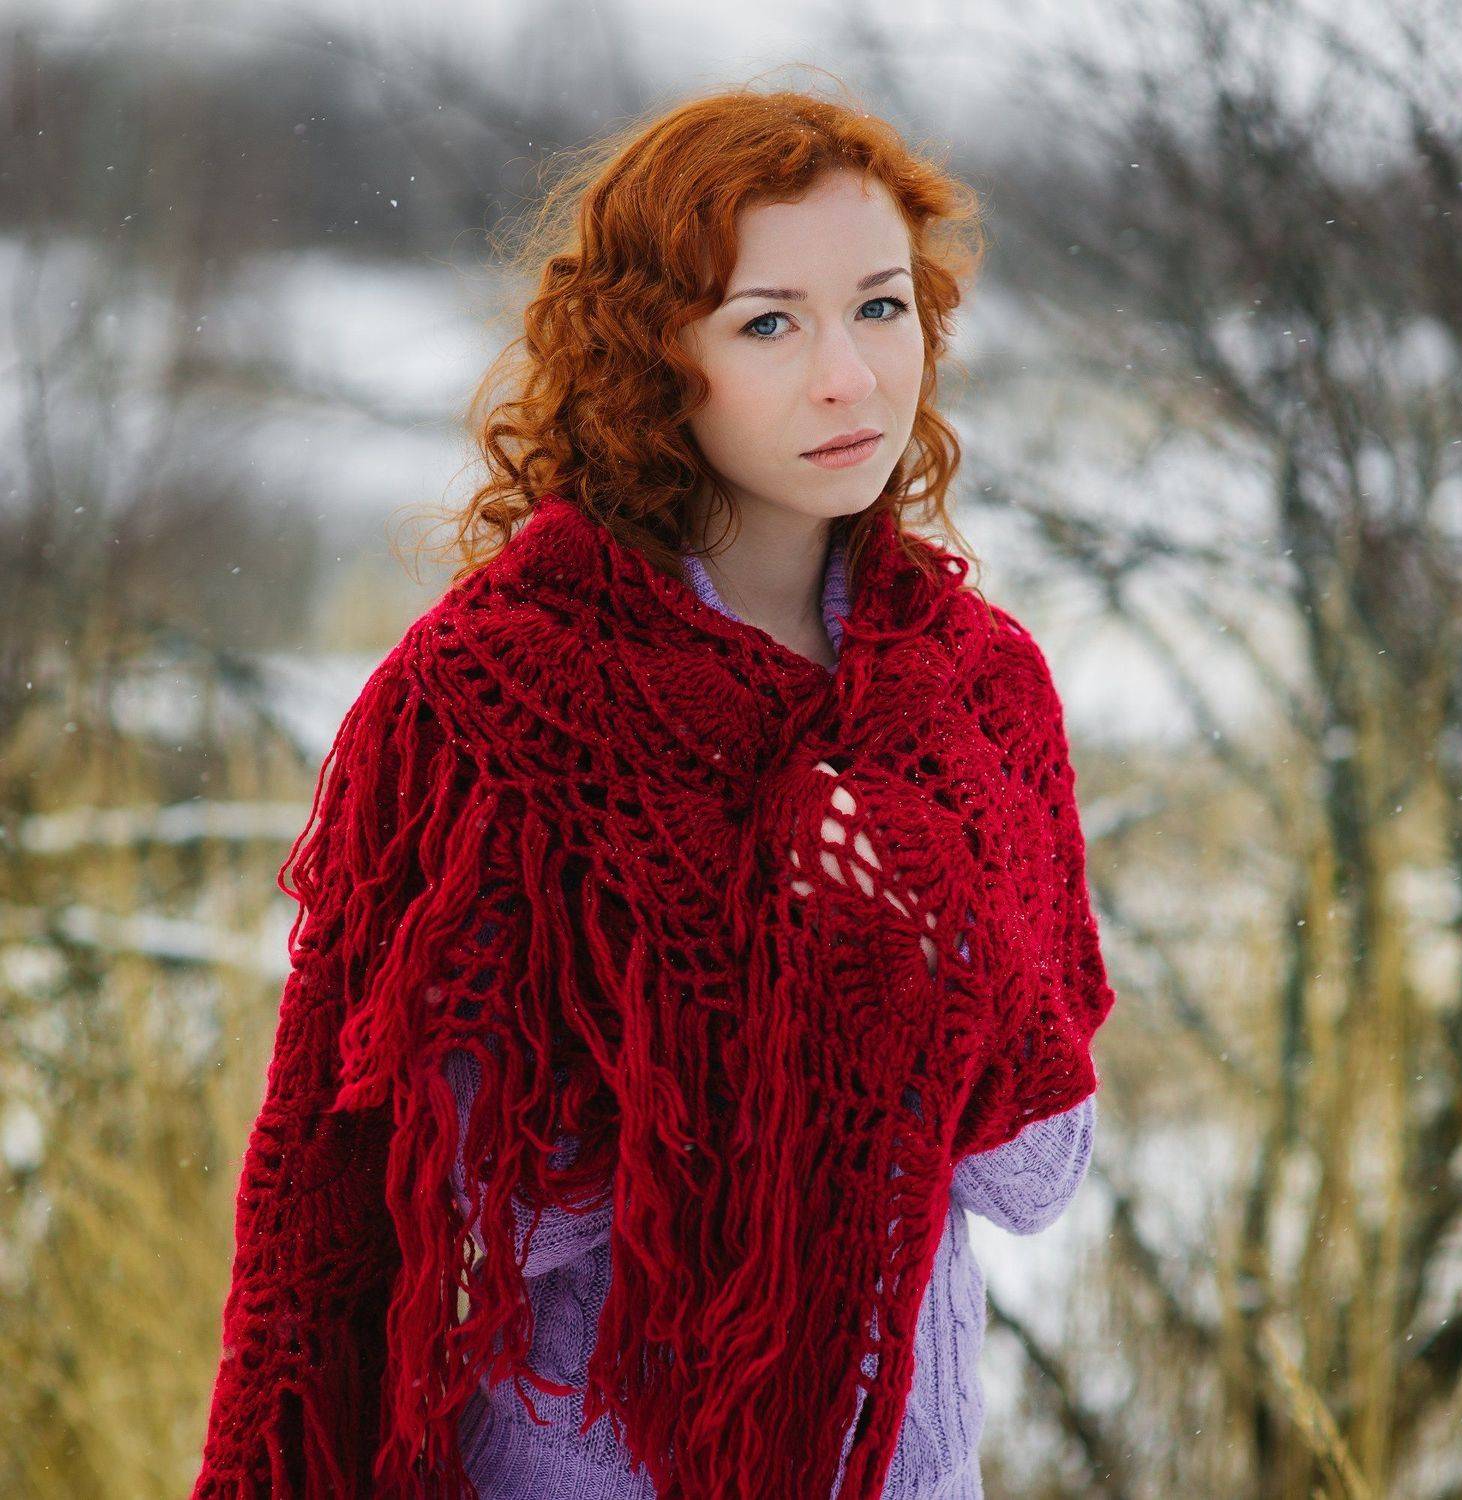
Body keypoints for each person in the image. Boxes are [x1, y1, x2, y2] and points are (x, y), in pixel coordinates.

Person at [193, 81, 1116, 1500]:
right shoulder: (499, 699)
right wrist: (765, 977)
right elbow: (463, 1206)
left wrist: (920, 945)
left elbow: (1035, 1174)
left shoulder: (977, 691)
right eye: (769, 322)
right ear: (649, 355)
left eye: (880, 308)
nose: (850, 377)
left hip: (908, 1471)